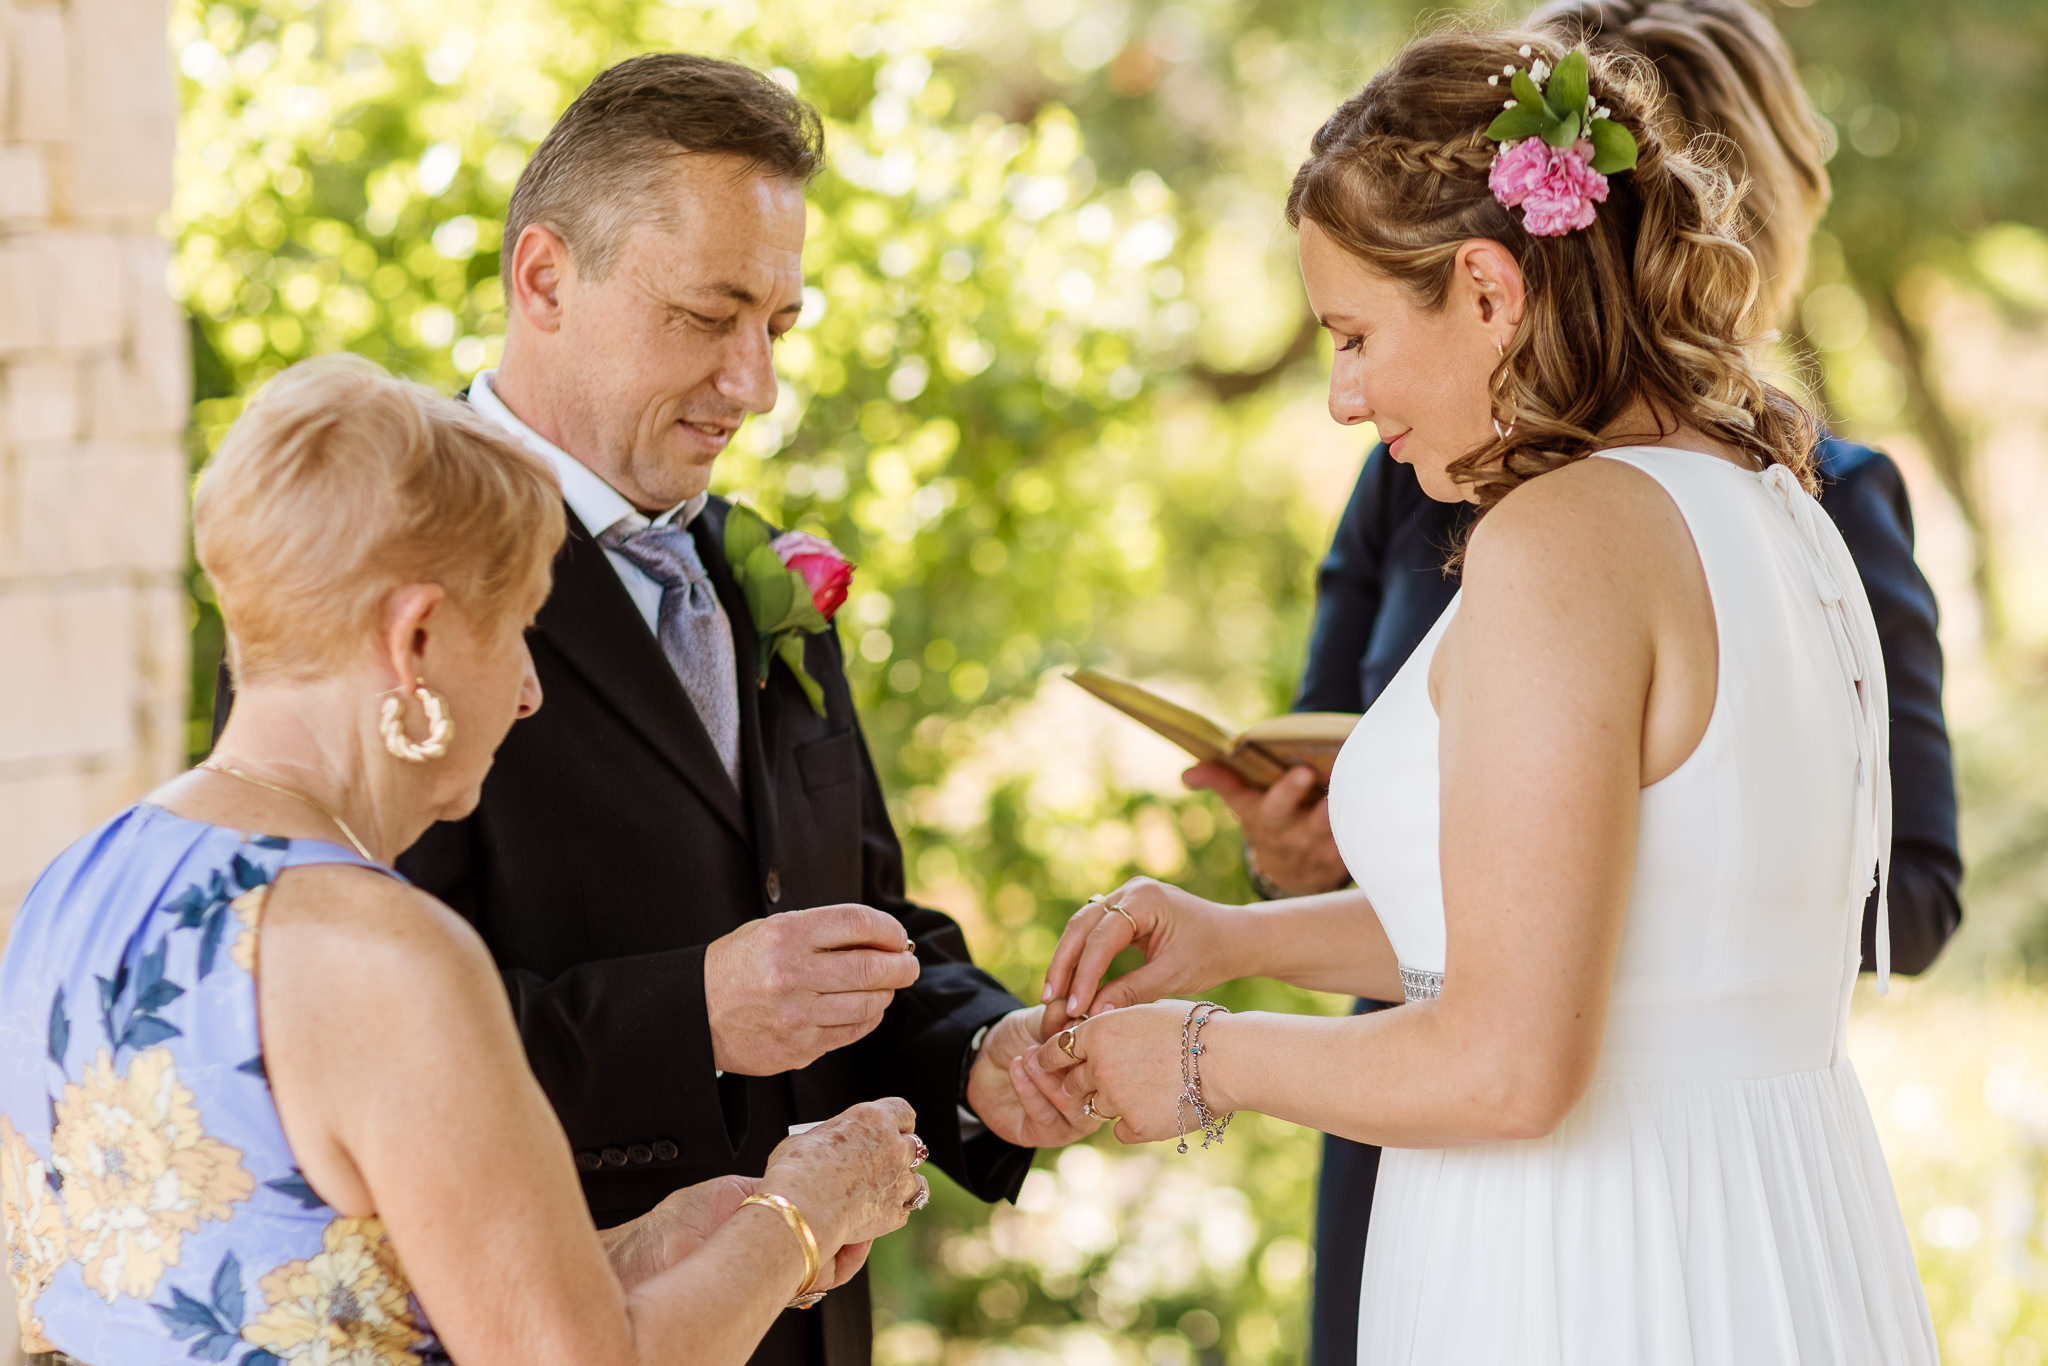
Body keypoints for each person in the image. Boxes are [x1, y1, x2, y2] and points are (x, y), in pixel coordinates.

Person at [1032, 26, 1937, 1364]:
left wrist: (1200, 1055)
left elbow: (1508, 1065)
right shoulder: (1773, 498)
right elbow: (1603, 927)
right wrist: (1241, 936)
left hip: (1593, 1266)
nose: (1344, 399)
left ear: (1485, 286)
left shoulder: (1562, 538)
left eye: (1353, 334)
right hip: (1775, 1225)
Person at [216, 54, 1092, 1366]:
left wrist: (982, 1050)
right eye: (707, 315)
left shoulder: (762, 574)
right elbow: (311, 1026)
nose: (757, 386)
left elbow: (857, 911)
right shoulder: (365, 568)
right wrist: (691, 1012)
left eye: (779, 326)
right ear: (545, 278)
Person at [1, 358, 929, 1366]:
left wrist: (648, 1245)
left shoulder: (72, 887)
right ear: (417, 638)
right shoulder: (383, 952)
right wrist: (798, 1217)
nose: (530, 691)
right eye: (519, 626)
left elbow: (300, 1284)